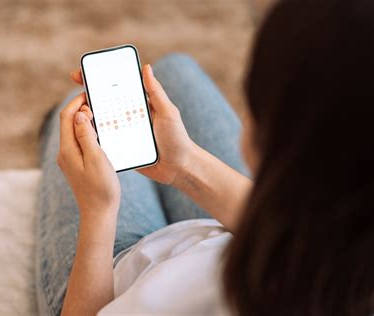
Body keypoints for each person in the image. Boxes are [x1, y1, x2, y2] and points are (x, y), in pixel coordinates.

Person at [36, 1, 374, 315]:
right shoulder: (345, 239)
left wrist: (98, 210)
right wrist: (185, 166)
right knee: (176, 68)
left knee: (75, 109)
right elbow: (307, 242)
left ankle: (53, 123)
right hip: (234, 234)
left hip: (112, 279)